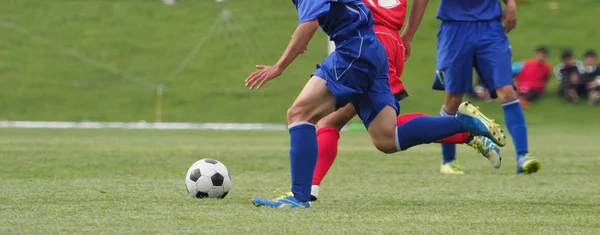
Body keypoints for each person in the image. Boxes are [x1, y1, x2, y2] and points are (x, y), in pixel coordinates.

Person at [245, 0, 506, 208]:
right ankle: (462, 123)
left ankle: (300, 197)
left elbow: (310, 24)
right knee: (387, 138)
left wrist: (279, 67)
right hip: (375, 47)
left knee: (300, 113)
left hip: (355, 49)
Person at [432, 0, 540, 175]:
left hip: (490, 27)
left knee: (507, 91)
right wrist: (408, 33)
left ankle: (523, 157)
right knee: (453, 99)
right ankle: (448, 161)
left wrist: (511, 3)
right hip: (455, 26)